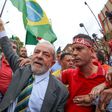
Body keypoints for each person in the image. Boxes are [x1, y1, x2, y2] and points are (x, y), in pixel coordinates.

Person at [0, 19, 69, 112]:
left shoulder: (61, 91)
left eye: (45, 54)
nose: (39, 56)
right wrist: (1, 28)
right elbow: (9, 51)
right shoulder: (21, 68)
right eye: (37, 52)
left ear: (52, 62)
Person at [60, 34, 108, 112]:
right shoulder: (69, 73)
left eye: (79, 49)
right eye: (73, 50)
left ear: (91, 51)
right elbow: (49, 81)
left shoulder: (105, 74)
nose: (74, 53)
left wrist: (105, 86)